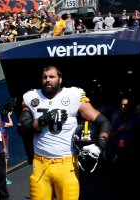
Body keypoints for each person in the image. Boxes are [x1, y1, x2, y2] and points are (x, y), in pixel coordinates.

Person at [17, 65, 110, 200]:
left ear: (60, 79)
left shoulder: (73, 95)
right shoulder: (31, 96)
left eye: (52, 77)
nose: (48, 80)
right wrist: (43, 120)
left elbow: (103, 122)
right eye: (45, 77)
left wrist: (100, 144)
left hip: (67, 164)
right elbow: (22, 127)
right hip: (40, 163)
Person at [0, 110, 13, 185]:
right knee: (5, 161)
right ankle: (4, 179)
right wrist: (9, 116)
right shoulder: (1, 123)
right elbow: (11, 124)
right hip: (3, 145)